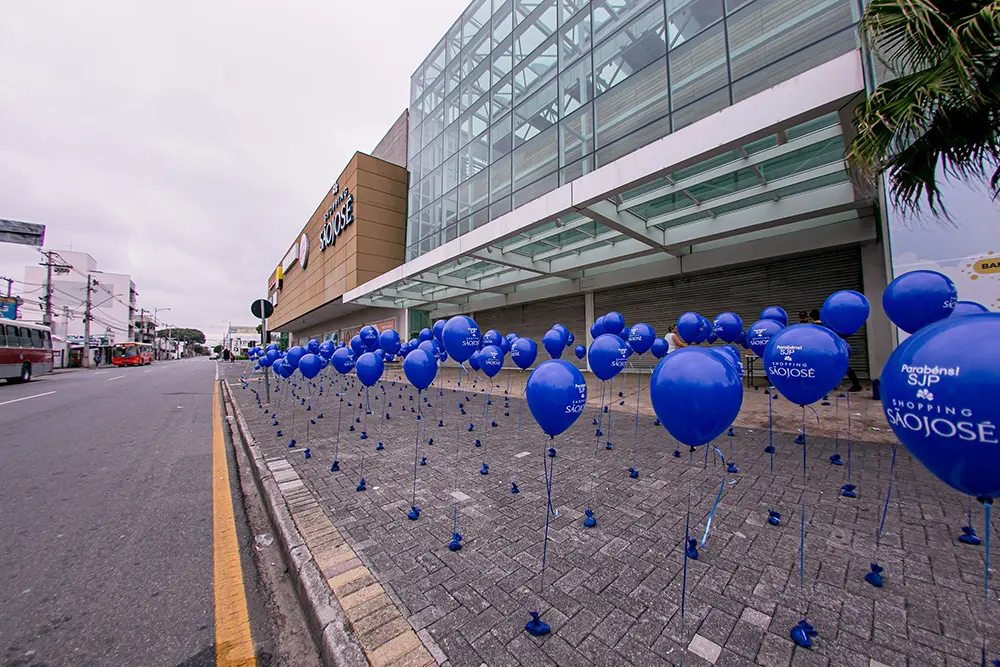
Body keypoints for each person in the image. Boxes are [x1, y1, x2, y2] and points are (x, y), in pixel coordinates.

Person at [812, 308, 863, 392]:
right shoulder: (830, 324)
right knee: (841, 366)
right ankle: (852, 384)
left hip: (832, 348)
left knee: (841, 367)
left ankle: (855, 384)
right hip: (842, 346)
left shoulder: (818, 326)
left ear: (811, 317)